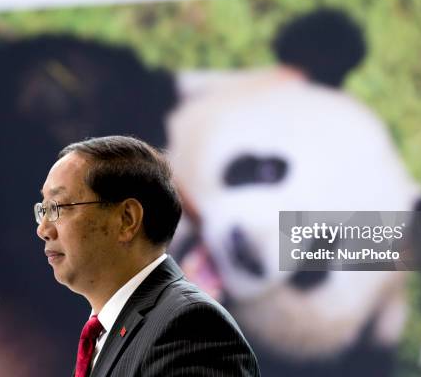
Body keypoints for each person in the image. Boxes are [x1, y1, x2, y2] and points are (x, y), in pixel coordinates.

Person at [35, 135, 260, 377]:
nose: (43, 230)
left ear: (127, 219)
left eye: (59, 207)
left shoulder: (190, 326)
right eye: (43, 210)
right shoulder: (108, 333)